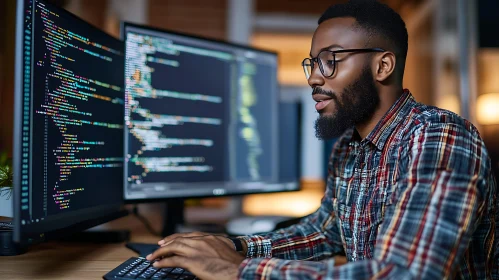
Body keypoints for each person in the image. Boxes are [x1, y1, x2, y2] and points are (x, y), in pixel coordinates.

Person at [146, 1, 499, 279]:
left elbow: (406, 273)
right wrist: (233, 245)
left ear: (383, 66)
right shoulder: (348, 147)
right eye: (313, 63)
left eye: (330, 61)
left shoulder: (439, 137)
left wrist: (236, 269)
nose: (314, 77)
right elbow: (324, 231)